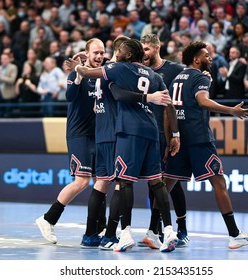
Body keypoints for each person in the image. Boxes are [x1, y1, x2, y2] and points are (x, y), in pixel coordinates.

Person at [66, 39, 180, 253]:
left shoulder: (117, 69)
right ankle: (169, 230)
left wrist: (77, 68)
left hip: (128, 130)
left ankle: (122, 233)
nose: (113, 54)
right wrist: (175, 134)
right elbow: (169, 104)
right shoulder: (154, 75)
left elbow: (106, 85)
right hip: (151, 131)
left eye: (117, 51)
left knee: (123, 182)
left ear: (127, 55)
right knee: (157, 182)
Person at [163, 41, 248, 250]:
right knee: (219, 182)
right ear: (196, 59)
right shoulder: (199, 77)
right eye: (207, 55)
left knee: (164, 185)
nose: (210, 58)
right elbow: (203, 101)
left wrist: (170, 137)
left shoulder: (176, 78)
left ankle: (157, 231)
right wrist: (231, 110)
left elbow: (167, 111)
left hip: (179, 139)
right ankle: (234, 234)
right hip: (199, 139)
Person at [35, 38, 106, 244]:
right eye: (95, 53)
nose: (99, 56)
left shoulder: (103, 73)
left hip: (98, 135)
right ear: (86, 53)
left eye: (102, 53)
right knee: (82, 180)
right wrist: (78, 73)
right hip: (79, 134)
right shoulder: (77, 73)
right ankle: (48, 219)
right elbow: (70, 96)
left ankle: (98, 229)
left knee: (101, 182)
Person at [140, 33, 189, 248]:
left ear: (157, 48)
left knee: (172, 181)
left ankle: (182, 227)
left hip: (170, 134)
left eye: (147, 50)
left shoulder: (175, 70)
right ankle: (156, 230)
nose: (144, 54)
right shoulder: (141, 72)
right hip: (151, 133)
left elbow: (191, 82)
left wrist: (176, 134)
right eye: (142, 51)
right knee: (155, 184)